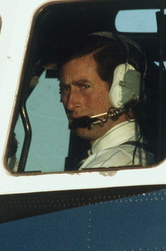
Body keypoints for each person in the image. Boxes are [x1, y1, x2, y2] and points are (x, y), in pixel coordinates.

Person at [58, 33, 154, 169]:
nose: (70, 104)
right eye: (65, 89)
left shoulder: (110, 166)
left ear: (123, 90)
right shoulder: (118, 158)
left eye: (84, 87)